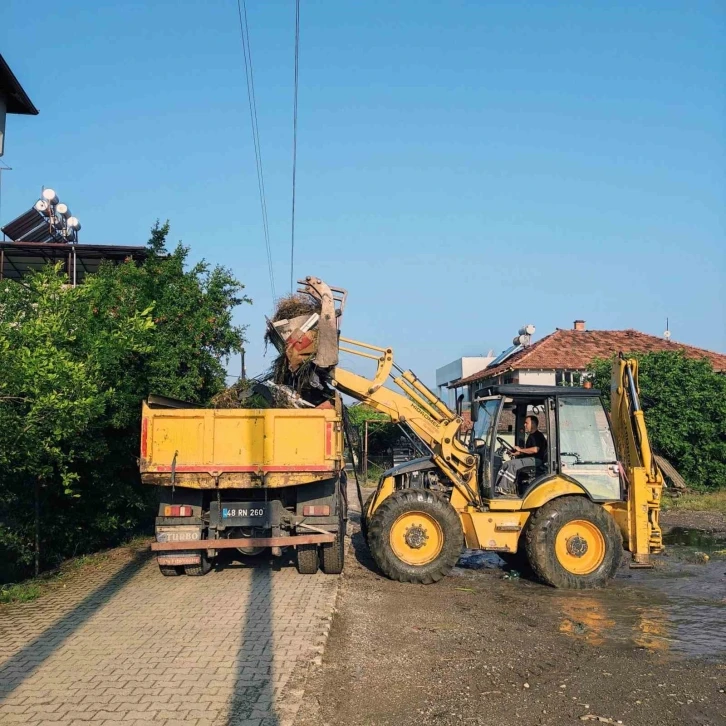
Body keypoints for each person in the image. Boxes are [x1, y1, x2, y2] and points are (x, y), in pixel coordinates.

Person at [494, 415, 547, 497]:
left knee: (512, 465)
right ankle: (497, 487)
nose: (525, 425)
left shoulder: (538, 435)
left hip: (537, 460)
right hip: (531, 458)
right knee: (506, 464)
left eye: (526, 423)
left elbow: (535, 450)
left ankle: (504, 489)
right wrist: (516, 453)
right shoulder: (531, 436)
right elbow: (528, 451)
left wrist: (520, 450)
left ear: (533, 424)